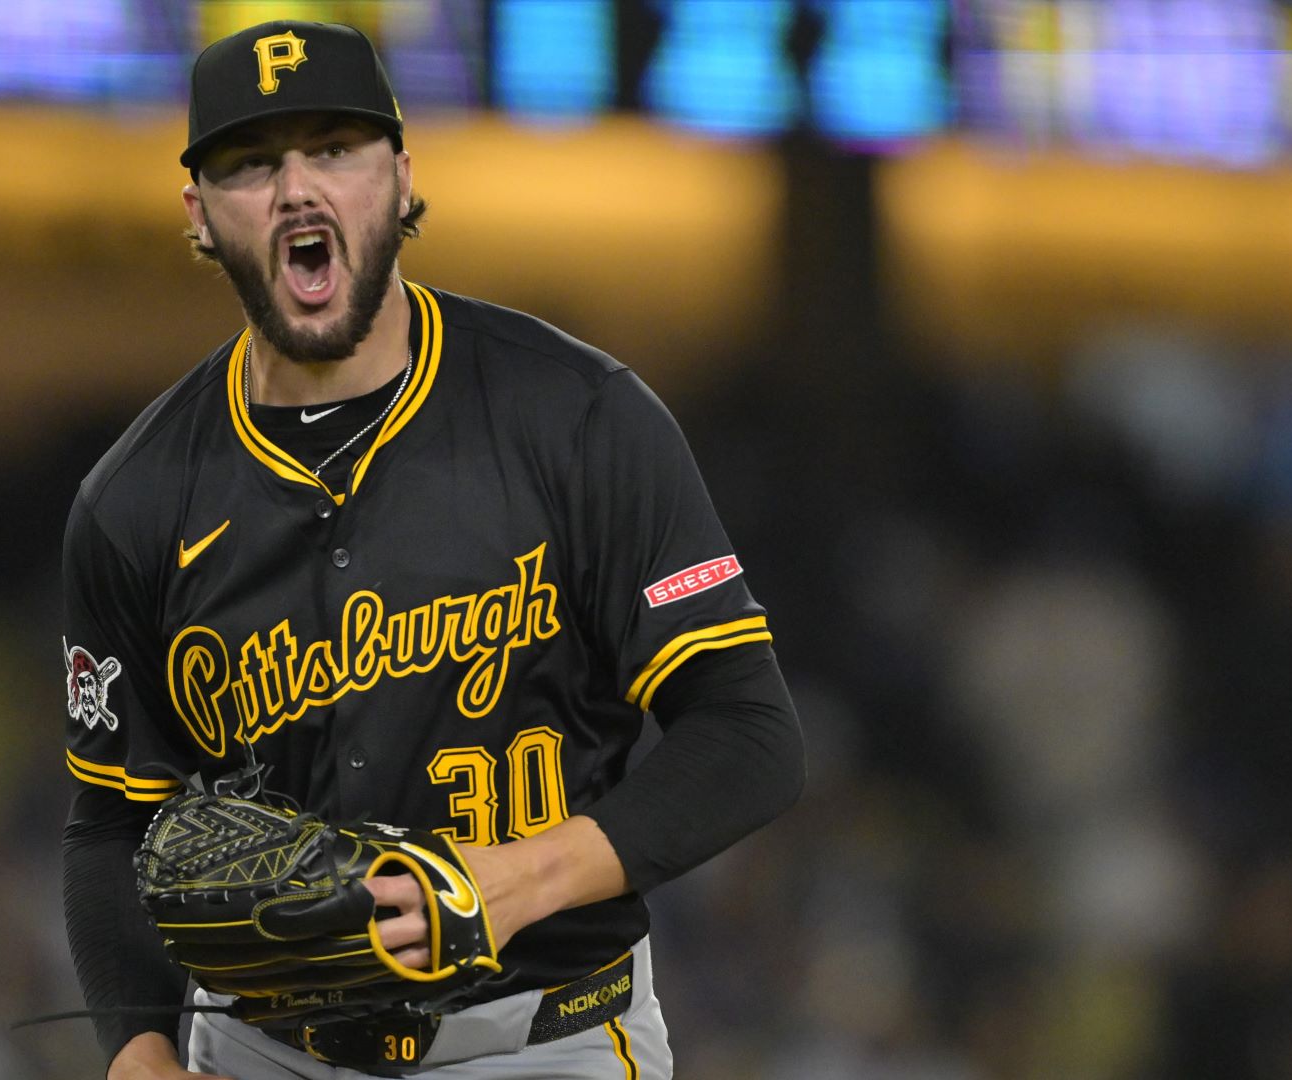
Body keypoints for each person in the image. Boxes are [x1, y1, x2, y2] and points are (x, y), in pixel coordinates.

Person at [59, 19, 805, 1080]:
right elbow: (110, 821)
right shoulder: (134, 502)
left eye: (335, 149)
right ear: (200, 216)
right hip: (261, 1051)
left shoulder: (577, 418)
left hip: (544, 1041)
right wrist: (136, 1048)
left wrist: (521, 880)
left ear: (402, 179)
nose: (297, 190)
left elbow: (749, 734)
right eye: (252, 164)